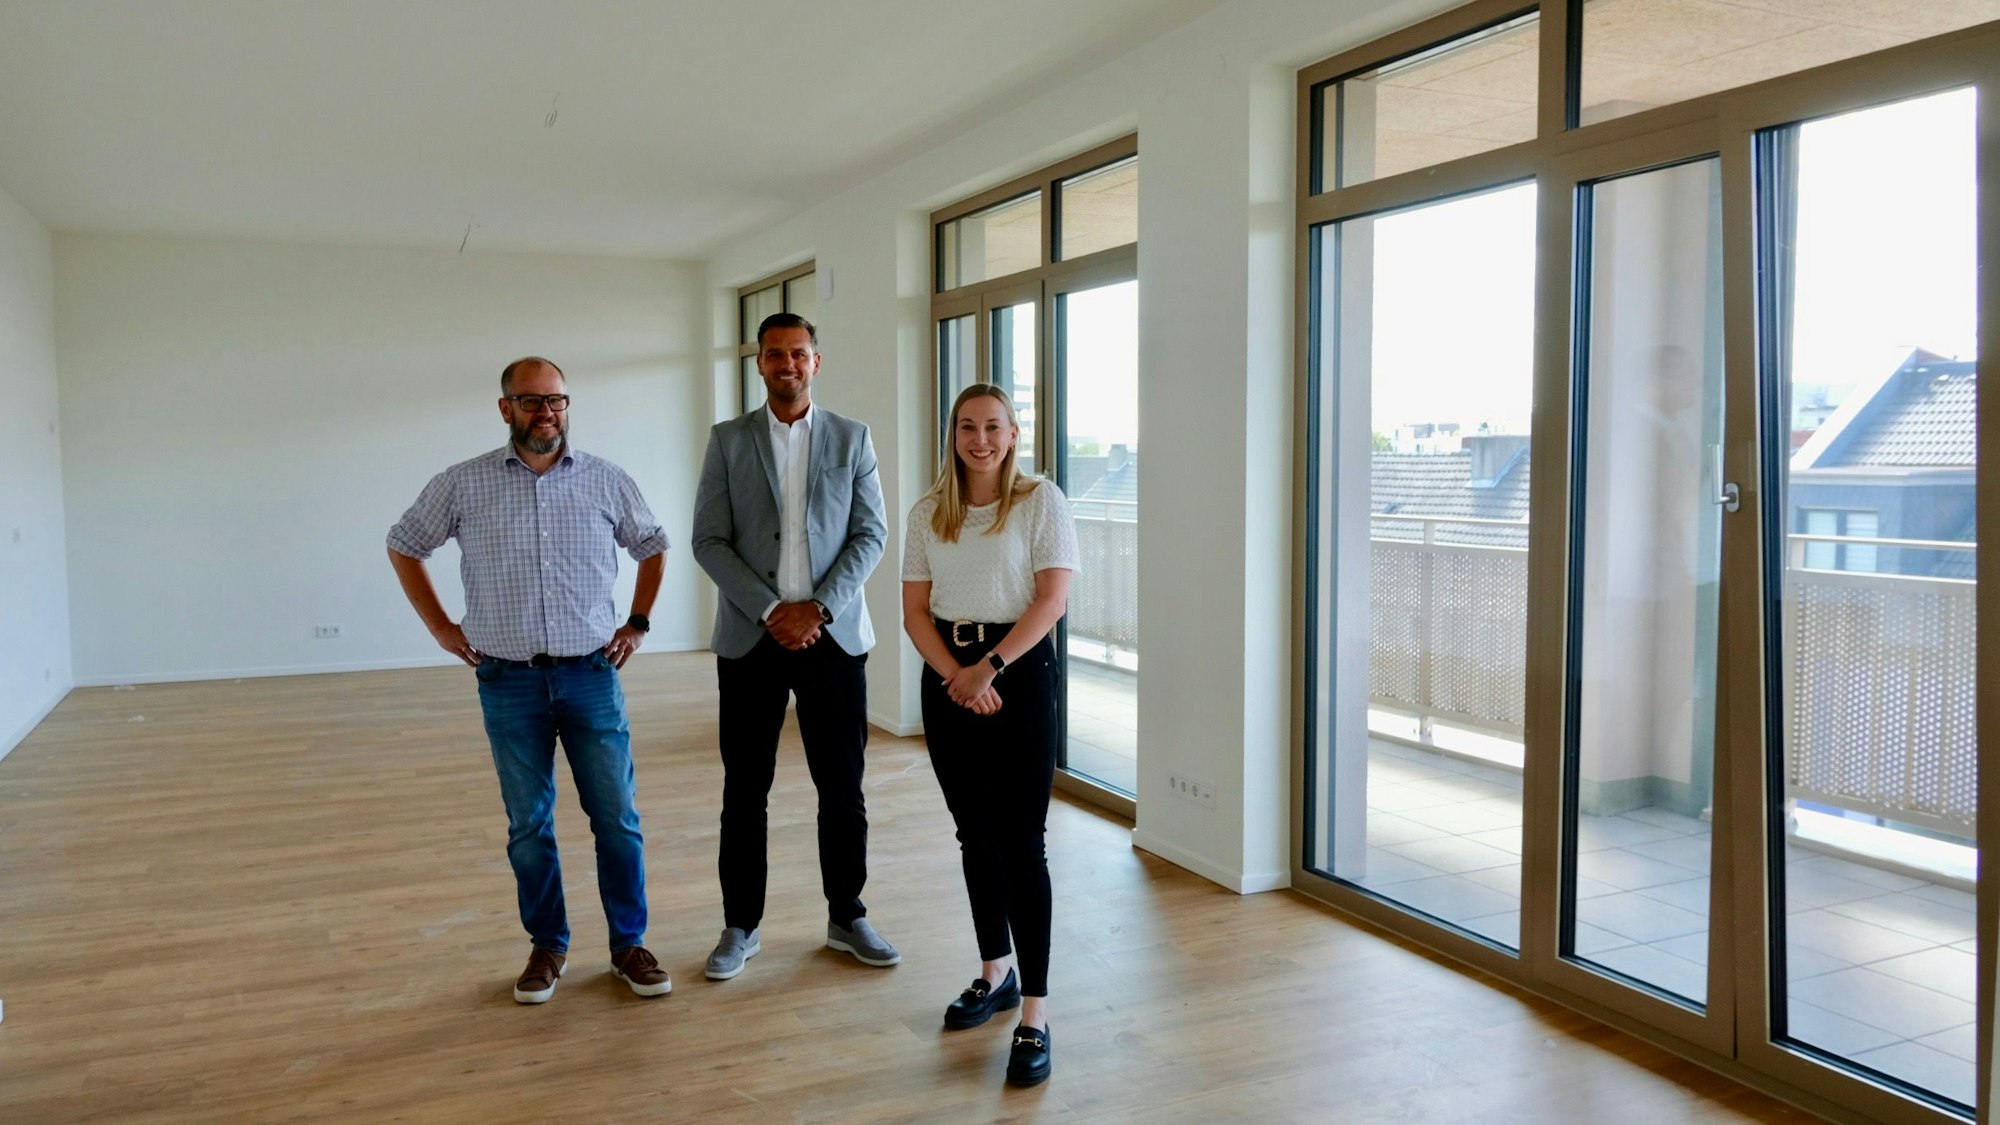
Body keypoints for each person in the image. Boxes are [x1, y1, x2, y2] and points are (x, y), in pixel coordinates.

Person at [387, 356, 673, 1004]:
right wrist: (439, 626)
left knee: (618, 819)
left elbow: (653, 545)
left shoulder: (606, 479)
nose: (547, 411)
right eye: (532, 400)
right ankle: (549, 943)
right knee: (528, 825)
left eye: (557, 400)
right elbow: (404, 542)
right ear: (506, 408)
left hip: (592, 676)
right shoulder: (462, 484)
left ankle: (629, 944)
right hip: (508, 680)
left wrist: (638, 622)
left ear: (568, 406)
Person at [691, 312, 896, 980]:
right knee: (745, 789)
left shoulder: (852, 437)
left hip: (833, 639)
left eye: (799, 353)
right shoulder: (728, 441)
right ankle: (740, 925)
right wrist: (774, 608)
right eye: (775, 354)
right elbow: (709, 540)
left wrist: (818, 607)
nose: (788, 364)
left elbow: (871, 533)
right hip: (752, 638)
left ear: (817, 360)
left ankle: (848, 914)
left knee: (843, 785)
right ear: (760, 363)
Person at [900, 383, 1077, 1087]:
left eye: (994, 427)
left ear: (1012, 435)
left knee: (1021, 842)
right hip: (950, 678)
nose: (980, 438)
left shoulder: (1040, 501)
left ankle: (1034, 1009)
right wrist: (957, 676)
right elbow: (915, 610)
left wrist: (991, 666)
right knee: (975, 835)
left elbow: (1052, 597)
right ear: (953, 433)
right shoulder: (927, 512)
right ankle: (993, 972)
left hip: (1022, 675)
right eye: (968, 426)